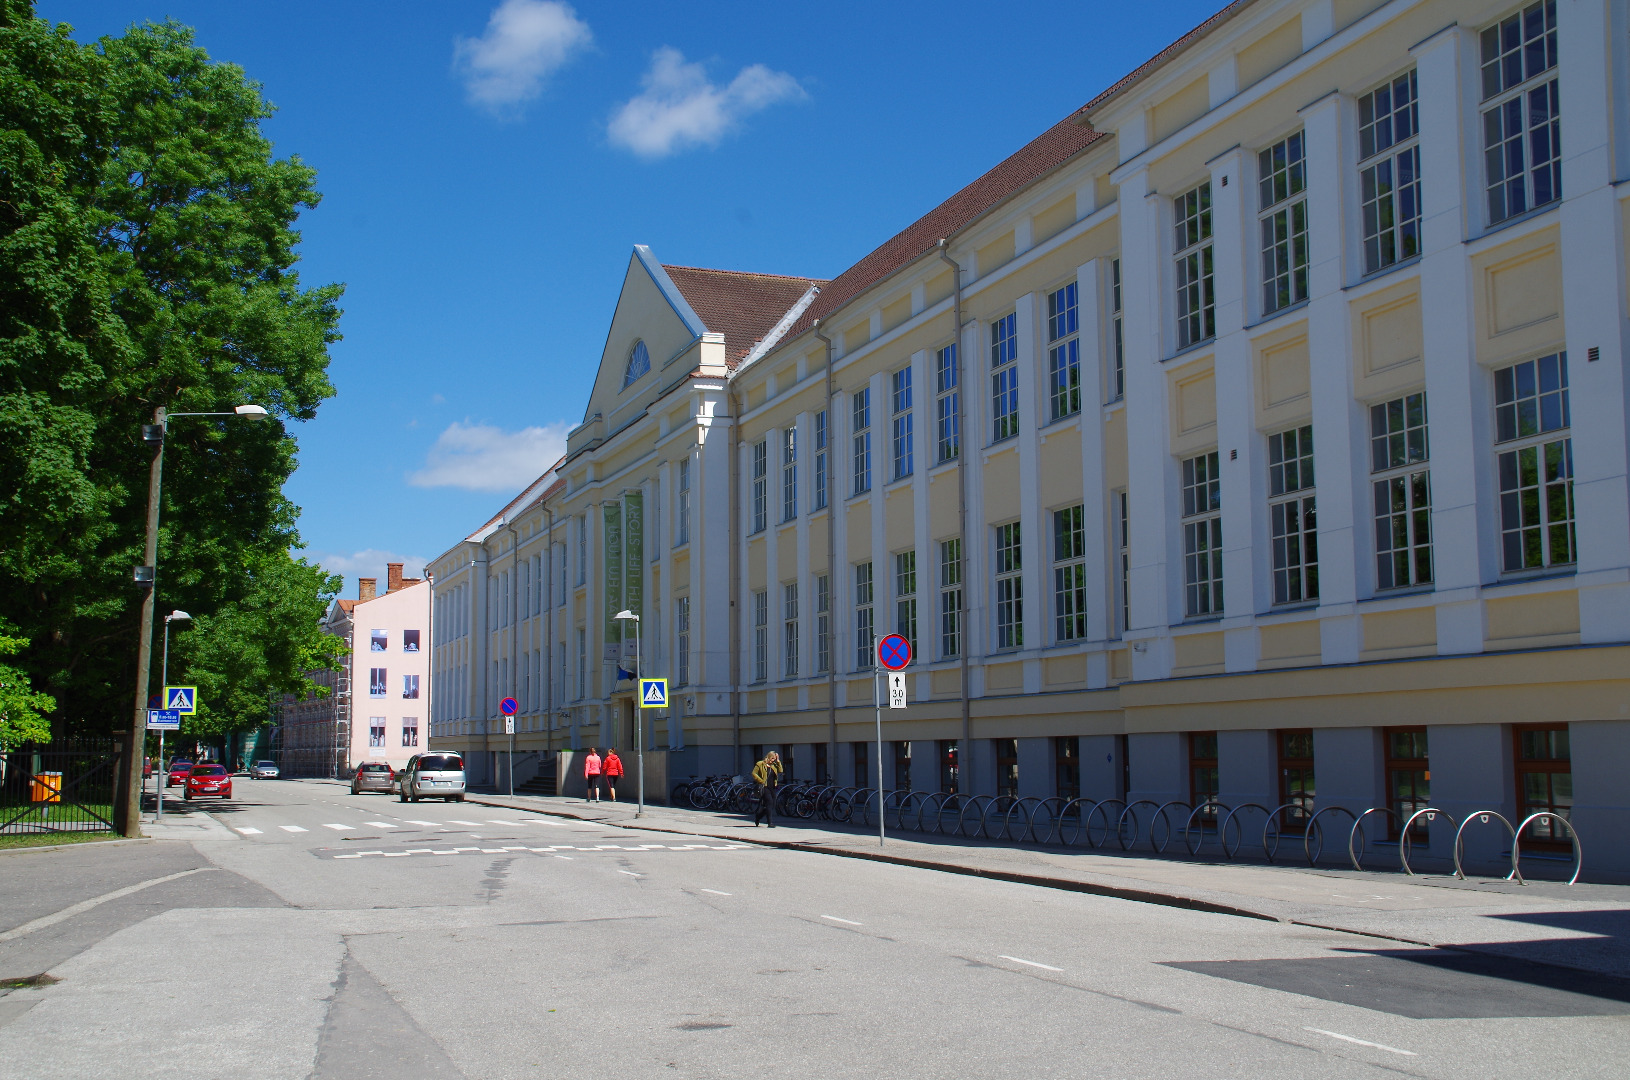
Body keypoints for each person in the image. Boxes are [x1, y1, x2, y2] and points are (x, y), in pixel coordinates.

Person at [751, 751, 783, 827]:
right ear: (768, 757)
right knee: (769, 802)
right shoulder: (760, 764)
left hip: (772, 787)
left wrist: (778, 761)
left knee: (772, 805)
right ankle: (770, 822)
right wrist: (761, 781)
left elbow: (780, 770)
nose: (773, 760)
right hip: (764, 787)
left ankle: (758, 816)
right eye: (772, 759)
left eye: (774, 759)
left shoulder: (774, 765)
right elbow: (754, 773)